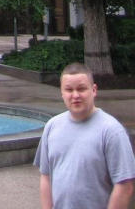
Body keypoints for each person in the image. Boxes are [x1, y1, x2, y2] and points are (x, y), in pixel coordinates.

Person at [34, 62, 135, 209]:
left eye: (81, 89)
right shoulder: (52, 126)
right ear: (62, 93)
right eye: (69, 90)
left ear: (94, 90)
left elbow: (125, 186)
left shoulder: (112, 131)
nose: (75, 95)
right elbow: (46, 176)